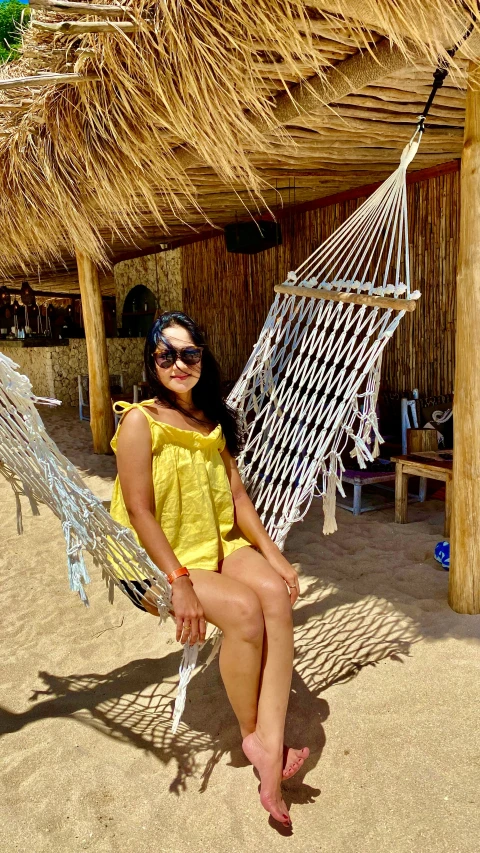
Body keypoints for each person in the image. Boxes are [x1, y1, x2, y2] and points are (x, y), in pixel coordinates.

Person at [110, 311, 309, 828]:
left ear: (203, 358)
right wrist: (179, 582)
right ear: (153, 362)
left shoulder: (210, 421)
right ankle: (261, 743)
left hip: (216, 541)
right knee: (244, 612)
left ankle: (269, 737)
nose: (179, 363)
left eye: (189, 353)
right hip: (156, 560)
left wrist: (273, 554)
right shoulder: (139, 421)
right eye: (167, 354)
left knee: (274, 595)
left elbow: (238, 496)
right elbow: (139, 511)